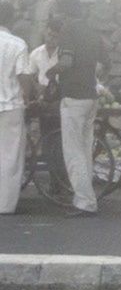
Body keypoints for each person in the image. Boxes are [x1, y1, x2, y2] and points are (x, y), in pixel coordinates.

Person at [46, 0, 111, 217]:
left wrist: (51, 71)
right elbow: (103, 65)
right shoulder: (92, 32)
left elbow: (66, 62)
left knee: (73, 153)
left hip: (73, 97)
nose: (54, 16)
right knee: (84, 151)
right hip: (91, 97)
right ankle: (88, 198)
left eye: (56, 12)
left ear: (64, 14)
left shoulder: (68, 31)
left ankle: (84, 202)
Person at [0, 1, 32, 214]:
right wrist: (28, 97)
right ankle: (5, 205)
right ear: (11, 19)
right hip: (10, 105)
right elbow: (24, 77)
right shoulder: (17, 44)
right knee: (10, 156)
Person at [30, 16, 66, 196]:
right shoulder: (36, 54)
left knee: (62, 143)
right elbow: (29, 76)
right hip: (45, 101)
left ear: (60, 37)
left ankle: (64, 181)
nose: (50, 39)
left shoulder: (65, 54)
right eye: (49, 35)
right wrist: (37, 90)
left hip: (61, 100)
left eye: (54, 36)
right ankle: (54, 181)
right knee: (48, 142)